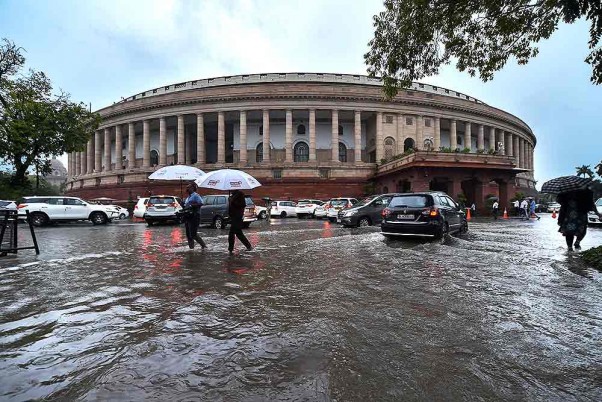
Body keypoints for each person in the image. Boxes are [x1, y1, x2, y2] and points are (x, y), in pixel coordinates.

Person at [228, 190, 253, 254]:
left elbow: (242, 205)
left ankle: (230, 249)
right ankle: (249, 246)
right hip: (233, 216)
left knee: (231, 233)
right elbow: (231, 207)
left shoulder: (240, 194)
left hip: (238, 216)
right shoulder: (232, 195)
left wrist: (232, 201)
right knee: (239, 233)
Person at [182, 183, 206, 249]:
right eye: (186, 187)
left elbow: (201, 203)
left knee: (193, 234)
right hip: (188, 217)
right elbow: (186, 206)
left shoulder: (196, 195)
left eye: (188, 187)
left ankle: (204, 246)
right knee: (188, 235)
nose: (187, 189)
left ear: (193, 188)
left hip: (195, 216)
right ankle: (191, 249)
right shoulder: (188, 197)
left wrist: (192, 205)